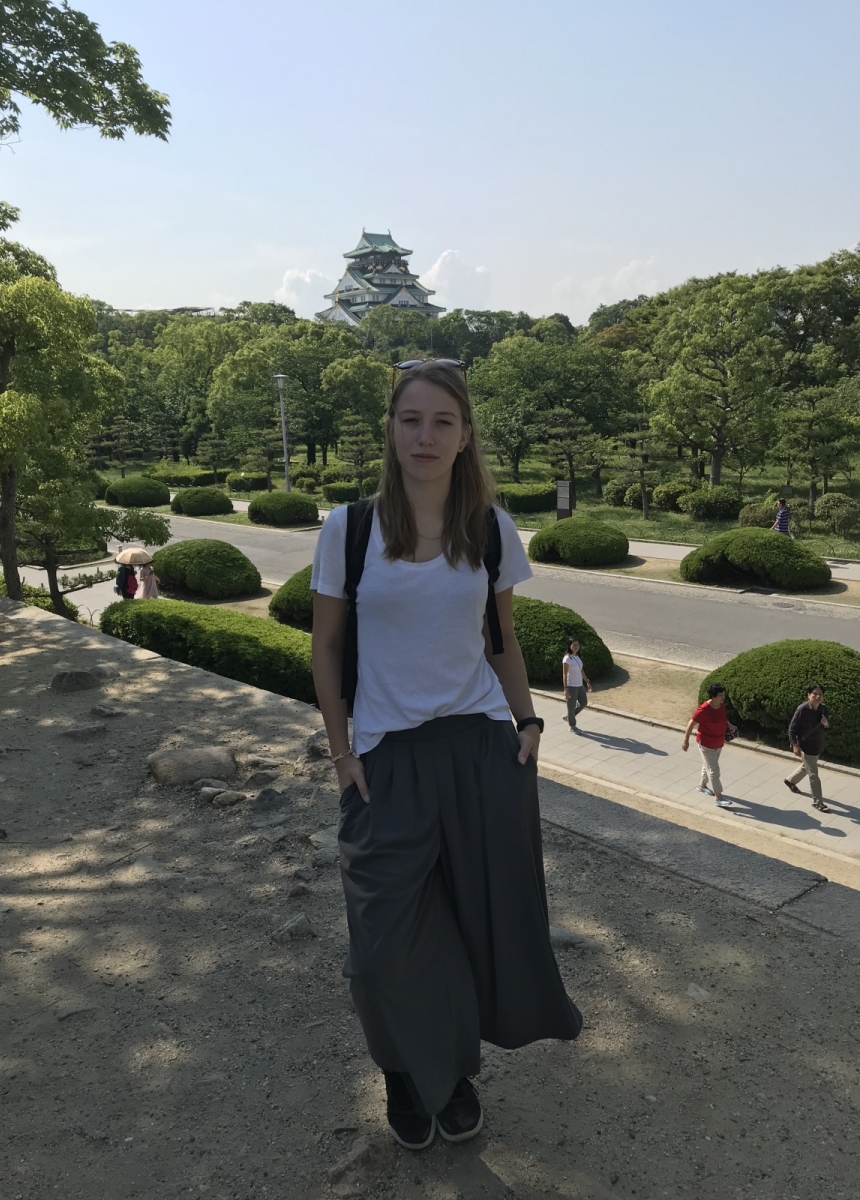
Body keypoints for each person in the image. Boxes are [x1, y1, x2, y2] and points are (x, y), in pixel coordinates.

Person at [310, 360, 582, 1152]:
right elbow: (326, 649)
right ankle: (402, 1070)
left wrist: (528, 724)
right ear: (390, 431)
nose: (424, 437)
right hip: (386, 759)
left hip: (480, 751)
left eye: (442, 422)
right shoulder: (348, 530)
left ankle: (454, 1074)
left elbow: (501, 640)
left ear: (465, 437)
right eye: (410, 420)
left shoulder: (490, 529)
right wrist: (341, 752)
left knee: (474, 924)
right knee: (383, 944)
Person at [682, 682, 738, 808]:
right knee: (714, 771)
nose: (723, 697)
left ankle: (702, 785)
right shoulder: (703, 710)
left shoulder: (721, 705)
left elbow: (723, 718)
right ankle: (719, 797)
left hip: (718, 742)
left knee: (708, 765)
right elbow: (691, 723)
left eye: (723, 695)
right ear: (713, 696)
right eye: (721, 695)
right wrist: (686, 740)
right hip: (706, 744)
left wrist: (729, 725)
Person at [784, 685, 831, 813]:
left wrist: (826, 723)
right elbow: (792, 729)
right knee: (813, 775)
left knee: (807, 766)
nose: (818, 696)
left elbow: (826, 725)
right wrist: (794, 745)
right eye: (815, 694)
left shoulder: (823, 709)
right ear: (809, 695)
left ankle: (790, 780)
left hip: (818, 745)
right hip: (806, 746)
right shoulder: (802, 710)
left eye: (820, 694)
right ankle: (818, 802)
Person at [562, 638, 592, 733]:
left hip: (579, 685)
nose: (576, 647)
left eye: (577, 645)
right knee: (571, 706)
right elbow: (564, 674)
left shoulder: (577, 657)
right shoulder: (567, 658)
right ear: (570, 646)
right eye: (574, 645)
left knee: (583, 703)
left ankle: (569, 716)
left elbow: (581, 670)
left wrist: (587, 682)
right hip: (571, 686)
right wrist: (566, 689)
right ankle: (572, 726)